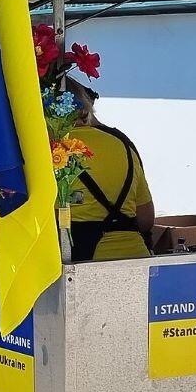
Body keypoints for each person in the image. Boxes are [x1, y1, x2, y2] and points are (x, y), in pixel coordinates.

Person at [65, 80, 155, 262]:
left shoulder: (53, 149)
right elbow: (146, 218)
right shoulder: (123, 143)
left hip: (83, 264)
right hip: (136, 258)